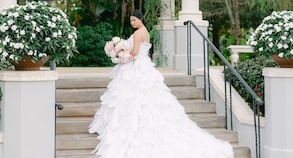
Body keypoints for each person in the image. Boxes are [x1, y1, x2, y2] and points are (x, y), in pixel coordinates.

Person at [89, 10, 234, 158]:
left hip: (135, 66)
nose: (132, 23)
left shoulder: (139, 33)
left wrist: (118, 53)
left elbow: (135, 53)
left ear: (140, 19)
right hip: (143, 65)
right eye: (131, 21)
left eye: (134, 20)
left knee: (131, 95)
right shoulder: (145, 31)